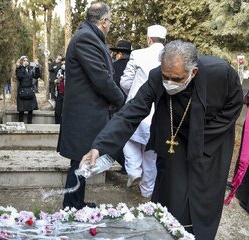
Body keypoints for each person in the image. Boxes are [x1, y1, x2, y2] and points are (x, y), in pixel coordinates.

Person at [81, 40, 243, 239]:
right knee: (172, 189)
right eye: (166, 77)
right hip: (174, 138)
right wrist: (100, 146)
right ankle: (169, 230)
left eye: (176, 78)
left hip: (211, 139)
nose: (169, 83)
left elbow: (234, 105)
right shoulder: (157, 77)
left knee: (204, 192)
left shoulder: (221, 73)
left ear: (193, 72)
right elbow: (132, 111)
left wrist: (203, 135)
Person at [58, 2, 125, 210]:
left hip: (86, 112)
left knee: (83, 160)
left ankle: (76, 203)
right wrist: (121, 100)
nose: (110, 25)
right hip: (84, 115)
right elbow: (101, 78)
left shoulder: (89, 36)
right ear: (104, 21)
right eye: (110, 21)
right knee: (79, 161)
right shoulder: (86, 38)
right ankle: (70, 207)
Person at [119, 25, 167, 198]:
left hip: (137, 106)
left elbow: (125, 82)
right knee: (151, 153)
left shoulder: (138, 54)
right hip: (159, 111)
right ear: (164, 40)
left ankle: (133, 170)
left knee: (128, 139)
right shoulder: (170, 56)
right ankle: (147, 191)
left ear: (149, 39)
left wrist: (131, 94)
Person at [108, 39, 132, 173]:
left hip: (115, 106)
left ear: (118, 53)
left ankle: (118, 162)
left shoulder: (113, 66)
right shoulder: (135, 66)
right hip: (132, 106)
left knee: (115, 135)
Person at [16, 56, 40, 124]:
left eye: (27, 60)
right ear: (21, 62)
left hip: (30, 90)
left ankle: (30, 122)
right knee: (21, 109)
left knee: (30, 108)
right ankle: (20, 123)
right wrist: (22, 67)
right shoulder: (19, 69)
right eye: (24, 60)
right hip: (22, 91)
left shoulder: (31, 69)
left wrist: (37, 66)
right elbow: (19, 76)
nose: (26, 61)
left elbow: (37, 76)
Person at [54, 58, 65, 124]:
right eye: (62, 64)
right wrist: (59, 79)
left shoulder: (70, 71)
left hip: (68, 94)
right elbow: (55, 81)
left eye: (64, 64)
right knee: (58, 110)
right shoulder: (59, 71)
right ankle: (57, 124)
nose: (63, 65)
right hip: (59, 92)